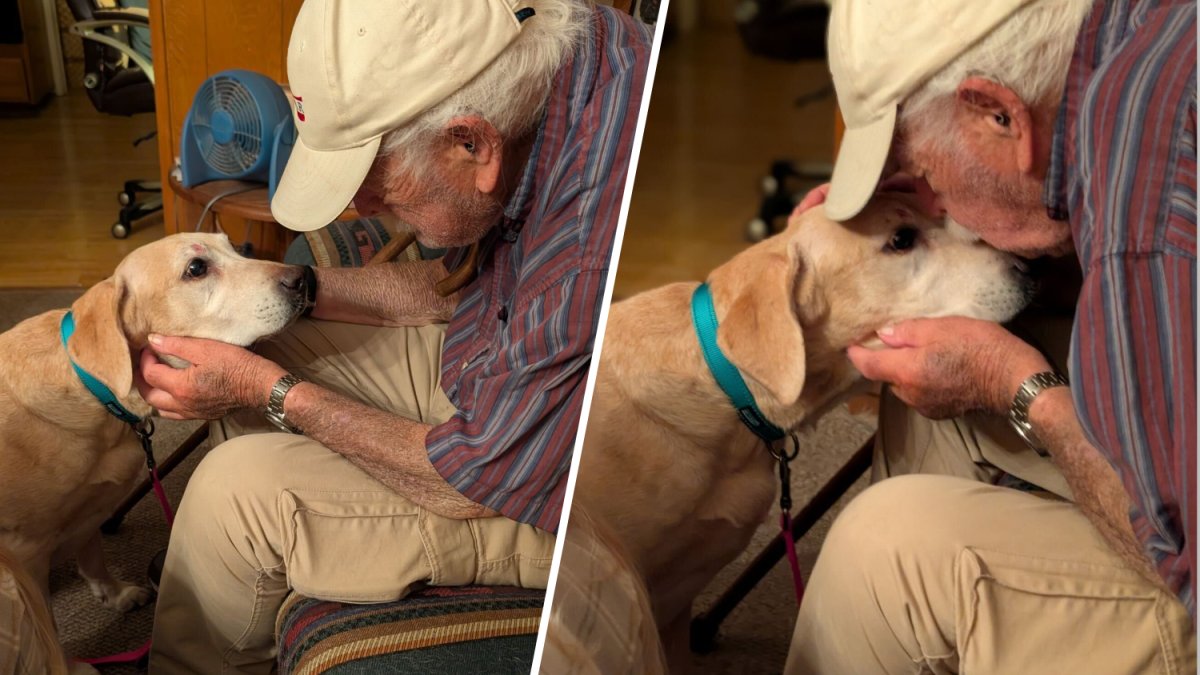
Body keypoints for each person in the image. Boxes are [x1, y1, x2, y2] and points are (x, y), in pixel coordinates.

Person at [135, 1, 650, 672]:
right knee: (266, 341)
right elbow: (469, 281)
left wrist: (274, 393)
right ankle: (261, 578)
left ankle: (231, 576)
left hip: (565, 501)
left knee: (231, 495)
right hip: (500, 376)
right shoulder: (572, 52)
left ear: (472, 144)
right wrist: (302, 291)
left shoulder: (584, 246)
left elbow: (471, 478)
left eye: (373, 173)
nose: (361, 205)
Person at [785, 0, 1195, 672]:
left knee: (883, 551)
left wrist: (1021, 387)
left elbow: (1177, 536)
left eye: (930, 176)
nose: (935, 203)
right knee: (935, 392)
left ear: (999, 113)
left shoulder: (1143, 192)